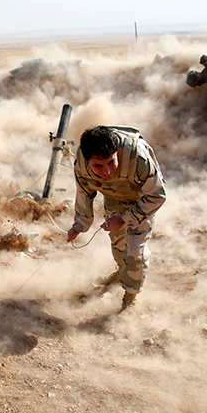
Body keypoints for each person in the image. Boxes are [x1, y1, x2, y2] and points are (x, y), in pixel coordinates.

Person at [66, 125, 166, 311]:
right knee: (119, 245)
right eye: (98, 166)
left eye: (111, 162)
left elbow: (157, 196)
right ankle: (121, 272)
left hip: (141, 199)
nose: (107, 172)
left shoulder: (138, 157)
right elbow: (84, 192)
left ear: (116, 153)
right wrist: (80, 225)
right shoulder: (80, 161)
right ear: (88, 161)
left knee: (135, 250)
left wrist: (123, 219)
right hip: (114, 198)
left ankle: (130, 296)